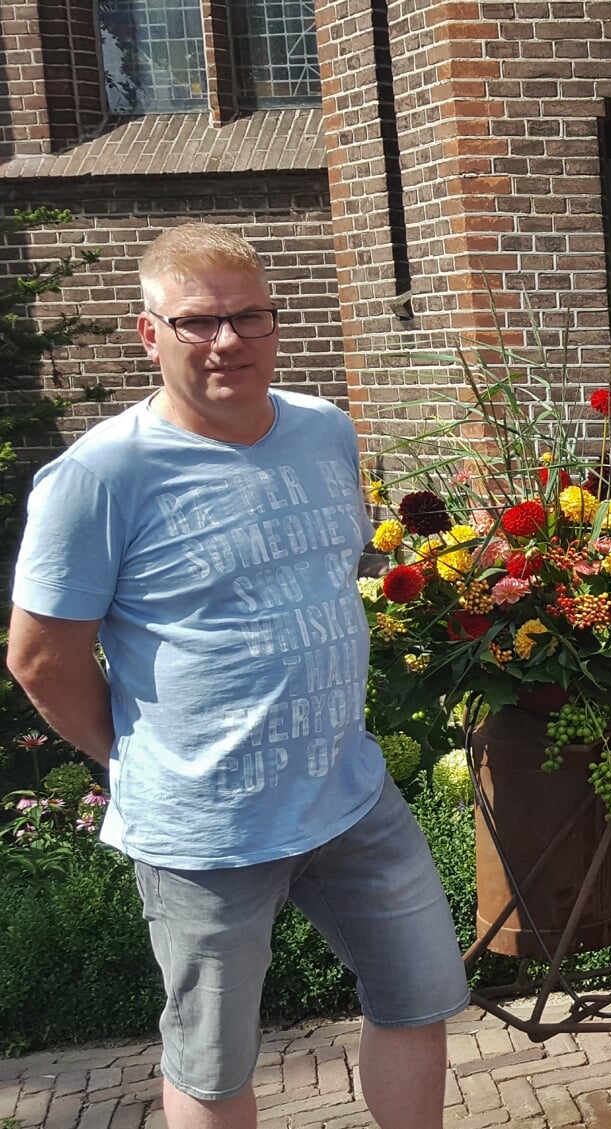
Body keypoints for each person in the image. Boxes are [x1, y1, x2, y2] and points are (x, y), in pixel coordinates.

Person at [7, 224, 468, 1129]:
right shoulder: (99, 476)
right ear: (151, 334)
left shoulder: (325, 433)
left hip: (348, 791)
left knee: (418, 1000)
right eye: (197, 322)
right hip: (203, 829)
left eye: (247, 317)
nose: (227, 341)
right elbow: (38, 657)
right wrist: (139, 758)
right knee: (213, 1063)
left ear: (275, 324)